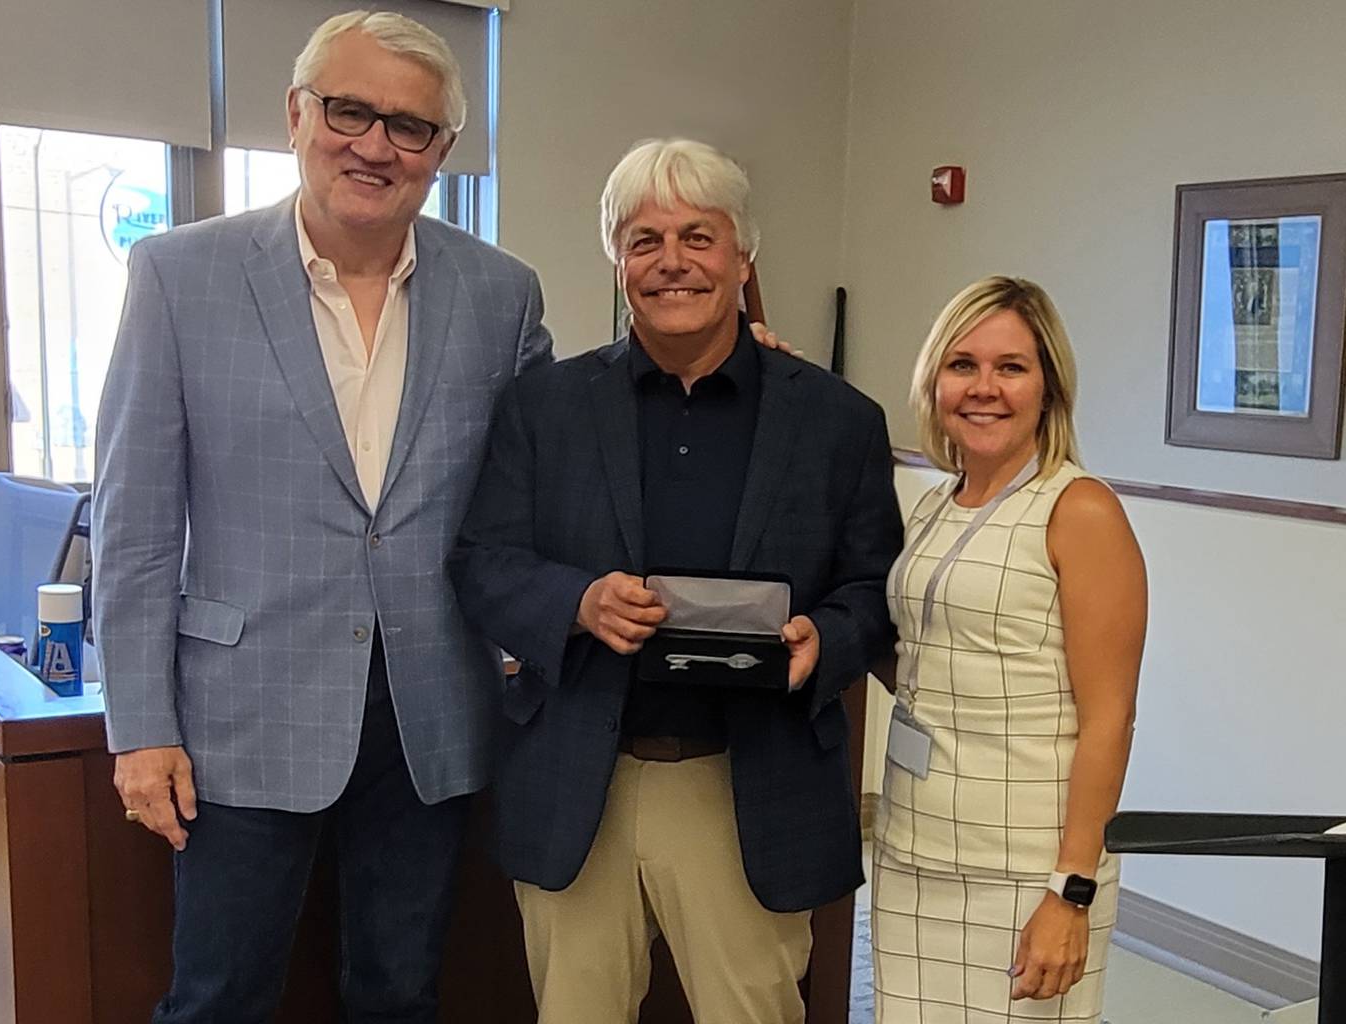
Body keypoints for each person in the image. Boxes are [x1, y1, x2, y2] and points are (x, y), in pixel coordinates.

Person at [91, 11, 552, 1021]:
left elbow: (550, 475)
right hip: (239, 716)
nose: (375, 145)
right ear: (297, 114)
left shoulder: (501, 295)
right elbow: (133, 523)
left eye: (410, 126)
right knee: (218, 997)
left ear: (444, 150)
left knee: (400, 992)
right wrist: (140, 724)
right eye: (350, 111)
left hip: (429, 712)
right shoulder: (179, 274)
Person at [447, 138, 903, 1024]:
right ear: (616, 261)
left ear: (743, 255)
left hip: (750, 785)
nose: (672, 262)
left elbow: (877, 589)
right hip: (584, 781)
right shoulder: (544, 408)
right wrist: (575, 602)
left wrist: (827, 640)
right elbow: (481, 562)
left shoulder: (838, 420)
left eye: (699, 236)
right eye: (643, 239)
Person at [871, 275, 1147, 1022]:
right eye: (962, 365)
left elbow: (1110, 719)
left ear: (1049, 387)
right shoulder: (937, 504)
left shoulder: (1079, 509)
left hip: (1024, 871)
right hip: (912, 850)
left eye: (1011, 367)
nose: (983, 388)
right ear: (934, 383)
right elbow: (926, 661)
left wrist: (1071, 890)